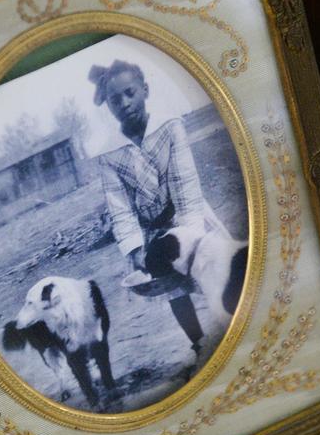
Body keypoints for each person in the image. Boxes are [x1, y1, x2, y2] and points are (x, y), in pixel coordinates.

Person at [89, 59, 228, 365]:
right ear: (109, 107)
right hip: (152, 230)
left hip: (188, 215)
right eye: (115, 100)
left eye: (130, 93)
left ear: (145, 91)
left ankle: (235, 325)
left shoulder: (170, 127)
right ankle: (200, 343)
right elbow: (120, 207)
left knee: (214, 270)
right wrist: (136, 248)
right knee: (172, 290)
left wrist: (191, 237)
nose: (125, 103)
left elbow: (185, 183)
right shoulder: (108, 154)